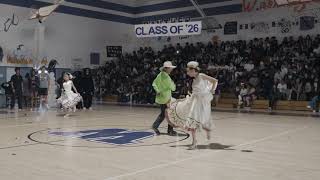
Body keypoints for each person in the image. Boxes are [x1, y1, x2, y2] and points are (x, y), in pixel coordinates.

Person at [166, 61, 218, 149]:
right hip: (194, 102)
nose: (187, 73)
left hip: (201, 102)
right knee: (191, 121)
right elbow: (194, 92)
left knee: (202, 120)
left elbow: (214, 80)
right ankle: (194, 142)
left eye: (188, 71)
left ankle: (207, 129)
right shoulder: (193, 80)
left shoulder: (201, 75)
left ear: (193, 70)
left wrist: (212, 91)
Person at [152, 61, 177, 136]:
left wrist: (157, 91)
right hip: (167, 98)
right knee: (171, 114)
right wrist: (173, 84)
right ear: (167, 68)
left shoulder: (160, 75)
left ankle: (155, 126)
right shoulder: (167, 77)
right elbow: (173, 88)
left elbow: (154, 84)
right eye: (170, 68)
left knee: (163, 114)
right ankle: (170, 131)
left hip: (162, 98)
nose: (171, 69)